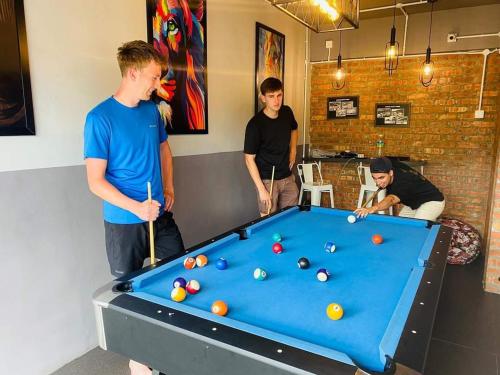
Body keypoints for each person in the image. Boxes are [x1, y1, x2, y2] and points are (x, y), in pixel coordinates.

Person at [84, 40, 184, 375]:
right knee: (131, 295)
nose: (158, 85)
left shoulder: (152, 112)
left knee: (180, 277)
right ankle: (139, 360)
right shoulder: (99, 119)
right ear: (132, 73)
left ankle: (174, 349)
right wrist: (136, 207)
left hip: (160, 217)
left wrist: (168, 186)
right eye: (154, 78)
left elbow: (165, 152)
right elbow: (95, 181)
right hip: (124, 223)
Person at [244, 77, 299, 216]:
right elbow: (249, 159)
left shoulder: (287, 112)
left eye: (279, 95)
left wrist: (293, 150)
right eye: (271, 96)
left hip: (287, 177)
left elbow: (294, 129)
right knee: (267, 220)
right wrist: (261, 189)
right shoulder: (255, 125)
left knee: (292, 217)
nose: (276, 100)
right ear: (263, 98)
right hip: (267, 180)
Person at [354, 157, 445, 221]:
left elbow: (391, 199)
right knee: (401, 224)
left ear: (391, 173)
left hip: (432, 202)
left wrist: (372, 209)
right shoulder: (387, 164)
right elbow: (384, 159)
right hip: (414, 202)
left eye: (381, 178)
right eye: (374, 178)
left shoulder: (403, 182)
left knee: (417, 229)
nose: (378, 183)